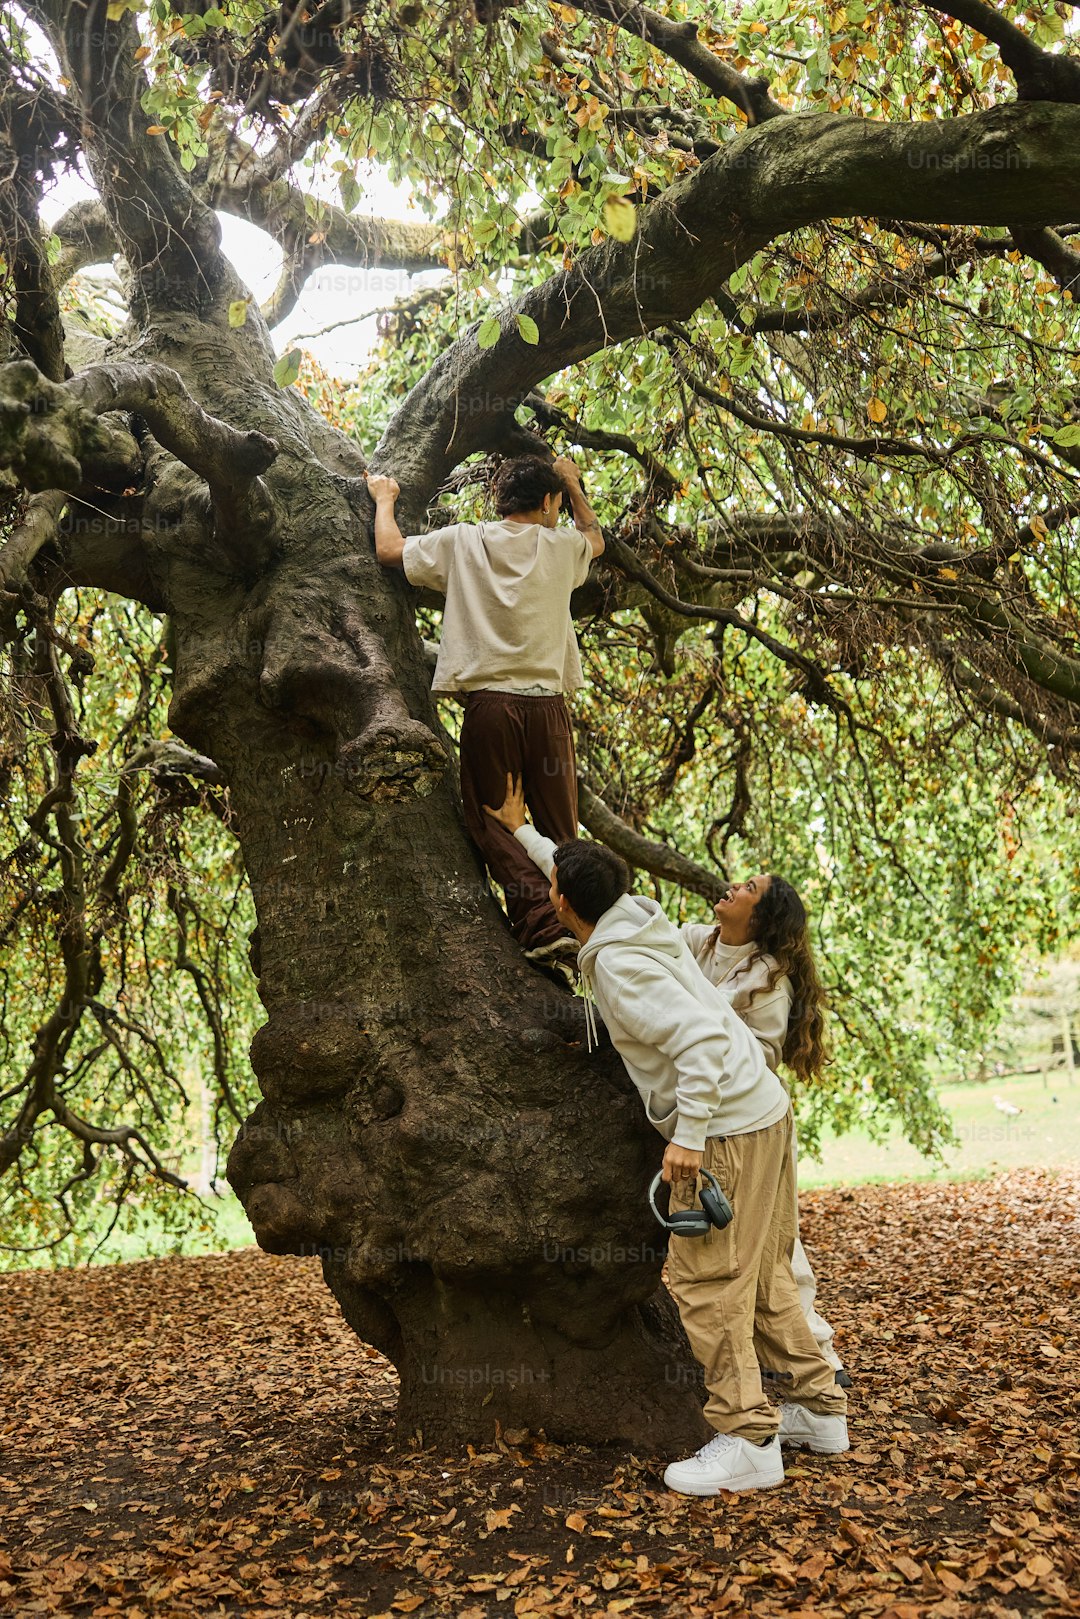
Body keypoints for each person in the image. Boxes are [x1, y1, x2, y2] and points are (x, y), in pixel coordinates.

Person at [485, 776, 849, 1496]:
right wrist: (524, 833)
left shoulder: (618, 963)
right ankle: (817, 1408)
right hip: (765, 1110)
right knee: (767, 1272)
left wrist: (687, 1138)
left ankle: (748, 1440)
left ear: (562, 906)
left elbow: (702, 1043)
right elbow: (577, 873)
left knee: (704, 1278)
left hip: (728, 1124)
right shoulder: (638, 915)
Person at [366, 456, 603, 964]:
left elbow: (388, 550)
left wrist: (385, 499)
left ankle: (542, 927)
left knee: (495, 818)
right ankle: (583, 922)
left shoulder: (463, 541)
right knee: (562, 827)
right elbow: (596, 538)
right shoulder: (562, 547)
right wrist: (574, 485)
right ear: (546, 503)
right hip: (548, 710)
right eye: (557, 505)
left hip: (492, 707)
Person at [682, 879, 850, 1386]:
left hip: (754, 1119)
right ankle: (803, 1365)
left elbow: (761, 1057)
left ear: (759, 919)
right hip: (719, 1117)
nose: (733, 884)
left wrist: (705, 1027)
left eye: (749, 887)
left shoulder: (768, 981)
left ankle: (818, 1357)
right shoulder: (700, 941)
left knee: (778, 1244)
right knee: (757, 1242)